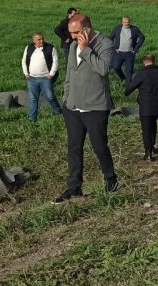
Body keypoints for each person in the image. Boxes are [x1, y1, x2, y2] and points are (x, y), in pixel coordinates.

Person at [55, 13, 120, 205]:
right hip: (73, 107)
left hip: (95, 107)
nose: (73, 37)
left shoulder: (105, 45)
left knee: (99, 146)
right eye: (71, 33)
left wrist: (85, 49)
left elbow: (103, 69)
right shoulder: (73, 44)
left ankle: (111, 180)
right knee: (74, 148)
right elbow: (70, 74)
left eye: (76, 32)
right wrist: (66, 99)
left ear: (87, 28)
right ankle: (74, 188)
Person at [124, 54, 158, 161]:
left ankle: (148, 154)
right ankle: (153, 147)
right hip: (157, 106)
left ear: (144, 62)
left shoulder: (141, 74)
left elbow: (128, 91)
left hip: (146, 106)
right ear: (154, 61)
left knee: (146, 129)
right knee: (153, 124)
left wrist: (128, 86)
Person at [21, 32, 62, 121]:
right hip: (31, 78)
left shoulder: (50, 48)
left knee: (50, 96)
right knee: (32, 99)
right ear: (34, 40)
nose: (41, 41)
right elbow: (24, 61)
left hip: (45, 78)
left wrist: (51, 74)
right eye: (39, 39)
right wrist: (26, 73)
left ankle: (58, 111)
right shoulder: (29, 48)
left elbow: (55, 62)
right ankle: (32, 118)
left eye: (42, 38)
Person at [109, 16, 145, 85]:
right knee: (116, 67)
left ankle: (128, 87)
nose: (127, 24)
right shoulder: (117, 29)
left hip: (130, 54)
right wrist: (114, 48)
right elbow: (110, 37)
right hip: (118, 52)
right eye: (125, 22)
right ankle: (123, 78)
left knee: (129, 71)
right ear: (122, 22)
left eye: (128, 22)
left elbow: (142, 37)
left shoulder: (134, 29)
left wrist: (136, 48)